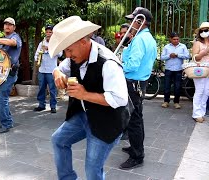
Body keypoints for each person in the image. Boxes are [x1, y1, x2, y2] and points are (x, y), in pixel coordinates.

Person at [49, 16, 128, 180]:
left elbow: (120, 99)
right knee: (58, 140)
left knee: (92, 171)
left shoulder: (108, 62)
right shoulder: (75, 57)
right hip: (84, 115)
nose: (67, 55)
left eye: (69, 50)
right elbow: (59, 69)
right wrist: (57, 74)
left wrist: (84, 94)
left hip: (107, 121)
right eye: (65, 51)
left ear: (83, 42)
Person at [120, 7, 157, 170]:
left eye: (132, 20)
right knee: (137, 118)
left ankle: (137, 155)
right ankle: (135, 147)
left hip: (133, 82)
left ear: (140, 21)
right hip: (139, 83)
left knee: (134, 120)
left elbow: (132, 65)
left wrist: (118, 66)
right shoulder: (148, 38)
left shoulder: (140, 39)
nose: (130, 23)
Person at [34, 25, 62, 113]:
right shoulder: (41, 43)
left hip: (51, 70)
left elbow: (60, 54)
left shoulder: (56, 43)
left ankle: (53, 106)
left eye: (50, 32)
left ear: (53, 33)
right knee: (41, 88)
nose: (48, 34)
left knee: (52, 89)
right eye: (47, 32)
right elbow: (36, 55)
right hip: (42, 69)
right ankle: (41, 105)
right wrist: (37, 58)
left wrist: (49, 48)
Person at [161, 32, 190, 109]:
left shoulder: (182, 46)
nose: (176, 40)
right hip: (169, 69)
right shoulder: (166, 47)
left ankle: (176, 102)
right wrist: (169, 56)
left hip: (178, 69)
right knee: (167, 86)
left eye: (177, 39)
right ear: (170, 39)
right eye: (174, 39)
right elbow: (162, 57)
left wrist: (178, 55)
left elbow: (187, 56)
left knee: (177, 87)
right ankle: (166, 101)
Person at [191, 22, 209, 123]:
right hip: (200, 69)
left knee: (207, 91)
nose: (204, 32)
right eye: (202, 31)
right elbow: (194, 57)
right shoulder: (198, 43)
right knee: (200, 90)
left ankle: (201, 112)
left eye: (206, 30)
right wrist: (203, 53)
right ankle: (196, 113)